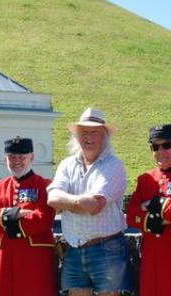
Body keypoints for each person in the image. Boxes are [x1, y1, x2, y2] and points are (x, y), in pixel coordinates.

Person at [47, 107, 132, 296]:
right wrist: (78, 202)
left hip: (107, 249)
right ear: (77, 136)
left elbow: (94, 206)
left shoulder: (114, 165)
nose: (89, 137)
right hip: (74, 249)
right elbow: (52, 198)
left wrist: (66, 204)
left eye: (94, 132)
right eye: (84, 132)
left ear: (105, 136)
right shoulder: (67, 164)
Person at [126, 124, 171, 296]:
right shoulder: (146, 179)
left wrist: (152, 207)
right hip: (152, 256)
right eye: (155, 146)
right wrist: (168, 213)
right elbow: (131, 216)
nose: (160, 151)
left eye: (166, 145)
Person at [0, 137, 57, 296]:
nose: (17, 161)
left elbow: (43, 219)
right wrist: (16, 214)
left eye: (22, 157)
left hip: (35, 258)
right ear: (5, 159)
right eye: (12, 157)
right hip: (6, 257)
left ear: (32, 157)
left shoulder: (44, 185)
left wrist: (2, 217)